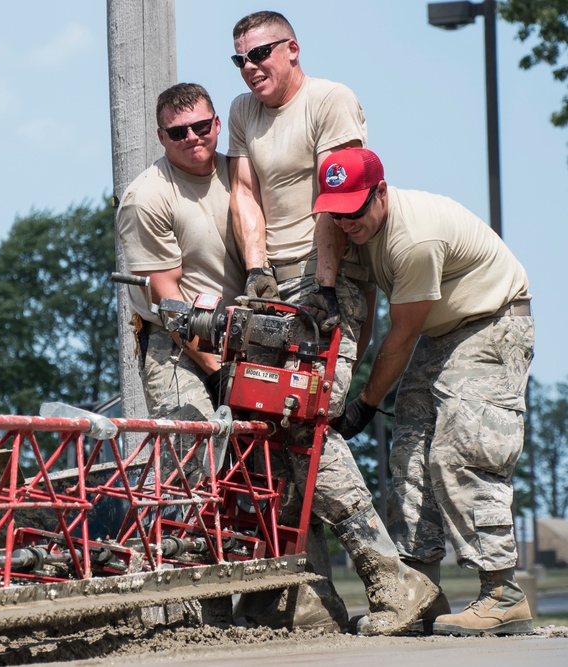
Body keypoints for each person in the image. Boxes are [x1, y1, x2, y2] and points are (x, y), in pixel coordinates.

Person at [225, 10, 437, 636]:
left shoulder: (330, 100)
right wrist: (258, 270)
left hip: (329, 278)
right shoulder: (242, 110)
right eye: (239, 59)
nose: (250, 67)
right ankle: (305, 599)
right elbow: (244, 193)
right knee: (267, 432)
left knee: (308, 423)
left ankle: (393, 581)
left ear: (292, 48)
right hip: (267, 285)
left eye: (261, 53)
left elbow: (335, 196)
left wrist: (320, 286)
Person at [312, 146, 535, 637]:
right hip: (441, 331)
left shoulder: (413, 239)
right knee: (409, 452)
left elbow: (401, 334)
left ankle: (502, 594)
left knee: (460, 450)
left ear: (381, 194)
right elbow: (367, 317)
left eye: (356, 209)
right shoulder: (352, 230)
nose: (347, 222)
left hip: (491, 323)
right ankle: (420, 594)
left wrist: (366, 404)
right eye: (337, 212)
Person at [117, 83, 245, 431]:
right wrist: (218, 373)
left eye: (201, 127)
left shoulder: (243, 175)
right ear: (161, 137)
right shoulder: (145, 198)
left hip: (241, 333)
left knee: (270, 460)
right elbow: (167, 301)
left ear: (217, 124)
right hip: (172, 342)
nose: (192, 137)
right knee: (193, 451)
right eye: (177, 132)